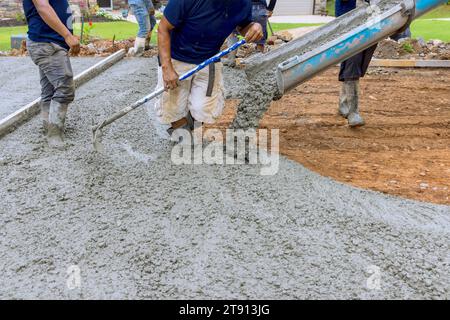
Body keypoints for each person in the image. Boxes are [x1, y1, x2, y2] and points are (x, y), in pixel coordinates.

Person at [156, 0, 263, 136]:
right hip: (176, 58)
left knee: (205, 109)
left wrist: (254, 27)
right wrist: (167, 68)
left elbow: (243, 25)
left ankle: (187, 124)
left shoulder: (243, 3)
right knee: (172, 106)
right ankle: (181, 132)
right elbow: (163, 28)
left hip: (209, 59)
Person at [336, 0, 411, 127]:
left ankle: (344, 103)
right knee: (352, 61)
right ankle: (353, 111)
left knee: (360, 63)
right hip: (352, 20)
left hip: (373, 19)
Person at [23, 0, 80, 148]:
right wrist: (67, 36)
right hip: (46, 43)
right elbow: (43, 7)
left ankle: (48, 126)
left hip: (50, 42)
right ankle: (54, 135)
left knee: (49, 90)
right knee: (65, 89)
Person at [224, 0, 277, 66]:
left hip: (243, 7)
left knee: (232, 33)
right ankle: (259, 64)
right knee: (259, 39)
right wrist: (270, 8)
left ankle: (231, 60)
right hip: (260, 9)